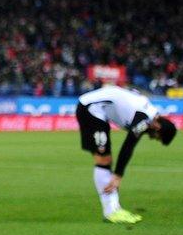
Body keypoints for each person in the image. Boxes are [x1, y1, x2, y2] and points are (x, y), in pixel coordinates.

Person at [75, 85, 177, 224]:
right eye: (157, 137)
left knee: (106, 160)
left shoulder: (148, 114)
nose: (153, 138)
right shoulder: (144, 119)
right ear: (158, 128)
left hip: (98, 110)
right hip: (91, 109)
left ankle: (113, 210)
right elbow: (129, 145)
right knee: (103, 160)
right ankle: (112, 212)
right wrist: (117, 176)